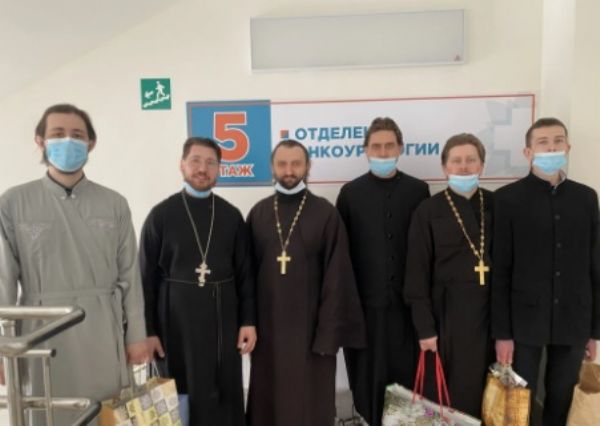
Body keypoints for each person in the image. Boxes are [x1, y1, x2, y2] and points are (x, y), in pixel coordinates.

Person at [0, 104, 147, 425]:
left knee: (104, 411)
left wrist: (137, 335)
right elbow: (3, 281)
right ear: (40, 141)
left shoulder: (114, 203)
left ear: (91, 143)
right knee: (47, 412)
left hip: (101, 328)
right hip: (41, 330)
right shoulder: (13, 202)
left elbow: (130, 275)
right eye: (58, 133)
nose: (68, 141)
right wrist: (2, 347)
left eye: (77, 135)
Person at [246, 139, 366, 426]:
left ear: (308, 166)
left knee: (310, 406)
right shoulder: (258, 213)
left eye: (296, 163)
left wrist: (328, 335)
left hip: (312, 335)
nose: (289, 170)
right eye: (282, 164)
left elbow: (338, 278)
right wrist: (247, 324)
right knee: (268, 404)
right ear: (272, 167)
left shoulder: (325, 213)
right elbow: (246, 276)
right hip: (268, 333)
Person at [139, 137, 256, 426]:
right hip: (174, 326)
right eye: (195, 161)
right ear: (182, 165)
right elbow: (145, 278)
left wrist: (248, 321)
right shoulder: (160, 215)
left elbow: (245, 274)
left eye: (210, 163)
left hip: (222, 324)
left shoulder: (231, 216)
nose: (202, 169)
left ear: (219, 169)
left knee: (222, 396)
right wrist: (148, 331)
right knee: (175, 396)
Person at [492, 117, 599, 425]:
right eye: (543, 142)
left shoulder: (586, 197)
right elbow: (500, 270)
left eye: (557, 141)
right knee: (518, 404)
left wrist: (594, 330)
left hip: (574, 318)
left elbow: (595, 264)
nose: (551, 148)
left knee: (562, 399)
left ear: (568, 147)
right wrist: (502, 334)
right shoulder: (507, 199)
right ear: (528, 152)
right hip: (523, 321)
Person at [336, 117, 429, 426]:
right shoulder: (350, 193)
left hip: (406, 308)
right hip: (364, 308)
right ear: (366, 150)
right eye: (376, 146)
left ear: (400, 148)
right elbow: (342, 255)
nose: (383, 151)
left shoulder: (418, 191)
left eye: (389, 145)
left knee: (406, 380)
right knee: (367, 379)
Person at [404, 133, 494, 417]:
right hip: (445, 320)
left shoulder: (498, 205)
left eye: (470, 160)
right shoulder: (428, 210)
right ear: (445, 167)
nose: (463, 166)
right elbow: (416, 274)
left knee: (489, 396)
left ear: (481, 165)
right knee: (448, 397)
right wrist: (425, 328)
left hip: (491, 319)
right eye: (456, 160)